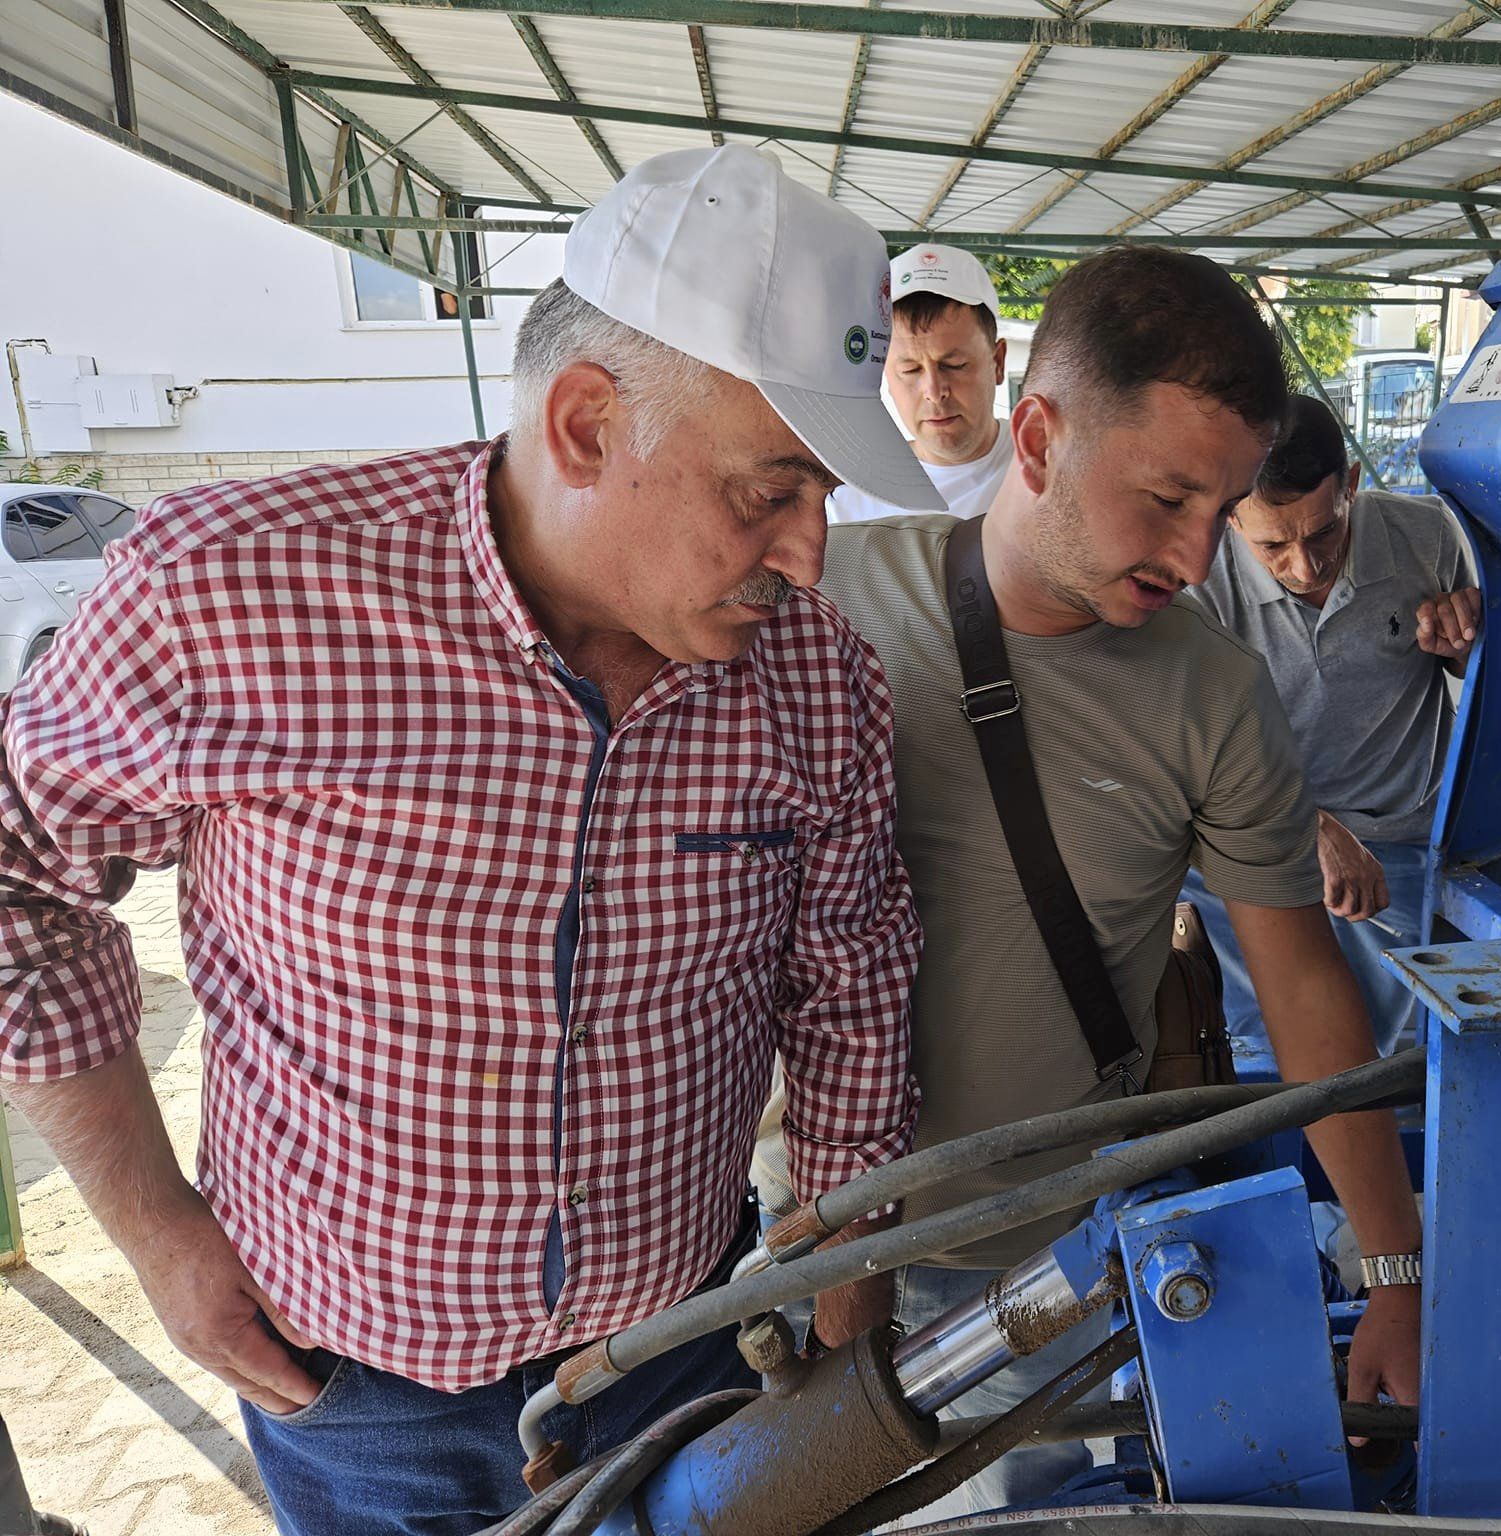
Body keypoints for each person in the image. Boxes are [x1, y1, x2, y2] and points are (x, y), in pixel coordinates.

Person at [0, 144, 938, 1536]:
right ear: (582, 423)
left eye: (826, 499)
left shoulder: (817, 683)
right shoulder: (231, 597)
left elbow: (852, 988)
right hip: (342, 1384)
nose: (809, 552)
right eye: (770, 489)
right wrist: (157, 1236)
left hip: (681, 1352)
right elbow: (20, 881)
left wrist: (852, 1292)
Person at [789, 247, 1426, 1511]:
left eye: (1221, 511)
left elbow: (1301, 990)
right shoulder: (826, 610)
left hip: (1045, 1261)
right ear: (1037, 438)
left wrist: (1396, 1273)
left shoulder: (1212, 696)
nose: (1198, 560)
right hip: (796, 1252)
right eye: (1168, 499)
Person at [1184, 393, 1481, 1061]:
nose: (1304, 566)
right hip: (1255, 835)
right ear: (1231, 515)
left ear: (1351, 485)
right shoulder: (1198, 580)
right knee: (1256, 1053)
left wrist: (1468, 642)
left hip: (1399, 849)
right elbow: (1182, 747)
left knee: (1360, 1062)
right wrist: (1305, 827)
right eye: (1272, 545)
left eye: (1323, 533)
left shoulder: (1430, 537)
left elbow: (1488, 685)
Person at [829, 242, 1011, 523]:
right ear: (885, 375)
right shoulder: (852, 503)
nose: (934, 392)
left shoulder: (1052, 464)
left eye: (955, 365)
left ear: (997, 363)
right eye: (910, 370)